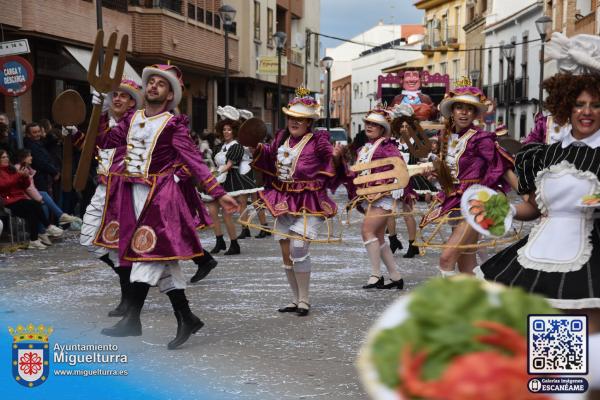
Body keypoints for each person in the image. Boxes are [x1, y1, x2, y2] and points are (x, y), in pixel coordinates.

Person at [96, 64, 238, 349]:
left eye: (161, 83)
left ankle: (132, 319)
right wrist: (99, 111)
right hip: (130, 196)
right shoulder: (130, 119)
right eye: (151, 82)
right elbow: (106, 142)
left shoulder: (173, 125)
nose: (153, 86)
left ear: (170, 93)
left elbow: (195, 161)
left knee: (145, 256)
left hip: (159, 199)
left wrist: (218, 192)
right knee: (164, 264)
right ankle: (186, 317)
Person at [479, 32, 600, 337]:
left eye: (595, 105)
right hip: (542, 251)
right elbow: (533, 209)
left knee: (591, 334)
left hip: (592, 252)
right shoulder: (543, 155)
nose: (586, 111)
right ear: (565, 107)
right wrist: (500, 210)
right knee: (552, 344)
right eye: (579, 104)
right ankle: (559, 382)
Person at [251, 87, 345, 316]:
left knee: (299, 247)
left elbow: (331, 161)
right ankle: (294, 299)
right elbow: (269, 157)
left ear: (309, 122)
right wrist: (256, 148)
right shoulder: (281, 138)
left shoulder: (318, 140)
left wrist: (336, 156)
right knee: (286, 252)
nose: (294, 122)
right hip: (283, 199)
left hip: (310, 201)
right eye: (292, 117)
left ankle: (304, 300)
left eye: (300, 118)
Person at [420, 79, 514, 277]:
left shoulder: (481, 138)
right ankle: (478, 304)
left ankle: (450, 307)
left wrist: (479, 190)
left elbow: (497, 167)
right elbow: (453, 173)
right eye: (459, 108)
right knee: (466, 265)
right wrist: (437, 175)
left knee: (446, 258)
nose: (463, 112)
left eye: (469, 109)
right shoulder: (447, 138)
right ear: (452, 111)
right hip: (453, 202)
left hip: (475, 204)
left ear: (474, 114)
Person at [347, 105, 406, 290]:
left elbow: (399, 165)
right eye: (368, 123)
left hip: (383, 195)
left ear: (382, 129)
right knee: (379, 238)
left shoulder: (387, 146)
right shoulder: (365, 148)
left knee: (367, 231)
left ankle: (375, 275)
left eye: (375, 124)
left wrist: (397, 183)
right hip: (370, 196)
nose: (369, 126)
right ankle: (396, 277)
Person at [206, 107, 261, 255]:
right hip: (219, 179)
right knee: (211, 209)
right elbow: (217, 164)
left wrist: (216, 172)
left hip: (232, 180)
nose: (226, 132)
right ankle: (219, 240)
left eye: (229, 129)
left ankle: (234, 244)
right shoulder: (218, 146)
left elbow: (230, 165)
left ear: (234, 131)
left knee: (226, 213)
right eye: (224, 129)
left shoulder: (236, 146)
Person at [0, 149, 63, 249]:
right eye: (3, 157)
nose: (6, 159)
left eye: (7, 156)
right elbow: (4, 185)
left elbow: (24, 186)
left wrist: (25, 177)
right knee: (34, 205)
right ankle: (47, 227)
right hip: (8, 200)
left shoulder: (11, 169)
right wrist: (18, 175)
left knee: (33, 210)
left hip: (19, 198)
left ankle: (34, 239)